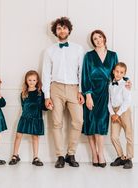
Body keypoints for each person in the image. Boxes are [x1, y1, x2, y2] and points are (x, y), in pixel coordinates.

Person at [42, 17, 84, 168]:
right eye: (59, 28)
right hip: (56, 88)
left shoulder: (78, 49)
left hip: (74, 88)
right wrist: (47, 96)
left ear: (69, 30)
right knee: (57, 122)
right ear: (55, 31)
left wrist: (81, 91)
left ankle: (71, 153)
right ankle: (60, 155)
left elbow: (81, 72)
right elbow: (46, 74)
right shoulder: (49, 51)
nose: (62, 30)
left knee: (78, 121)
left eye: (64, 28)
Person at [81, 30, 118, 168]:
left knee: (101, 124)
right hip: (91, 92)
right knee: (91, 123)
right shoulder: (89, 56)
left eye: (100, 37)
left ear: (104, 38)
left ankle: (101, 154)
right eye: (95, 38)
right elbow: (85, 76)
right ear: (93, 41)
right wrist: (88, 95)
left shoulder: (113, 55)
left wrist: (125, 81)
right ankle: (94, 153)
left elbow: (117, 75)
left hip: (106, 92)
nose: (98, 40)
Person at [9, 70, 48, 166]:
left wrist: (48, 107)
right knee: (18, 136)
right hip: (25, 118)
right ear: (26, 81)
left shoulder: (40, 93)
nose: (31, 82)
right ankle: (15, 155)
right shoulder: (23, 93)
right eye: (29, 80)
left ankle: (35, 157)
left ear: (37, 81)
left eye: (34, 80)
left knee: (35, 137)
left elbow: (43, 107)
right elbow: (23, 106)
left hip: (36, 118)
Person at [108, 62, 134, 169]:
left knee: (129, 135)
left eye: (121, 72)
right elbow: (109, 101)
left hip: (124, 111)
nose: (118, 74)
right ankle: (121, 157)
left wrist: (118, 114)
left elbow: (127, 101)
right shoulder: (110, 85)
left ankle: (129, 158)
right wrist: (112, 113)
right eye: (117, 71)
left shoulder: (126, 85)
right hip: (114, 112)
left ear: (124, 74)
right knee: (114, 136)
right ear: (113, 71)